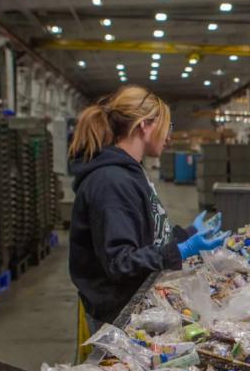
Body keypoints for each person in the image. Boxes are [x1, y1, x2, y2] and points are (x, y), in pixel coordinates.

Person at [68, 85, 225, 334]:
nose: (168, 136)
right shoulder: (111, 182)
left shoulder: (131, 172)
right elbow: (121, 262)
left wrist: (187, 234)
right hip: (118, 316)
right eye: (166, 126)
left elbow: (145, 238)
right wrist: (181, 251)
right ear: (144, 125)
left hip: (134, 304)